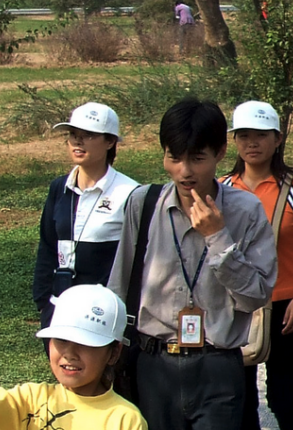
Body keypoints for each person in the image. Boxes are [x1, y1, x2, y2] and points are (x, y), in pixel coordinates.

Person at [107, 98, 277, 430]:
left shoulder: (246, 211)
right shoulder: (143, 205)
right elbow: (119, 285)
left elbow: (256, 296)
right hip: (153, 363)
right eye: (175, 158)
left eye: (197, 159)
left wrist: (218, 238)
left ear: (220, 153)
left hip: (218, 366)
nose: (185, 172)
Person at [221, 101, 293, 430]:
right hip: (234, 306)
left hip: (285, 306)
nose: (252, 143)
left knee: (285, 398)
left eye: (261, 135)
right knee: (239, 398)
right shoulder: (222, 188)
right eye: (244, 136)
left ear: (277, 139)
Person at [33, 103, 139, 341]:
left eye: (89, 135)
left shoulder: (130, 192)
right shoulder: (59, 187)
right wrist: (43, 302)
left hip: (100, 313)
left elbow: (135, 261)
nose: (78, 142)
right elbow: (48, 245)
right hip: (59, 308)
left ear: (110, 141)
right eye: (73, 135)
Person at [0, 285, 147, 430]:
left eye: (86, 343)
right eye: (62, 340)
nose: (70, 353)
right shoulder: (29, 399)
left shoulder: (124, 419)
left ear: (114, 353)